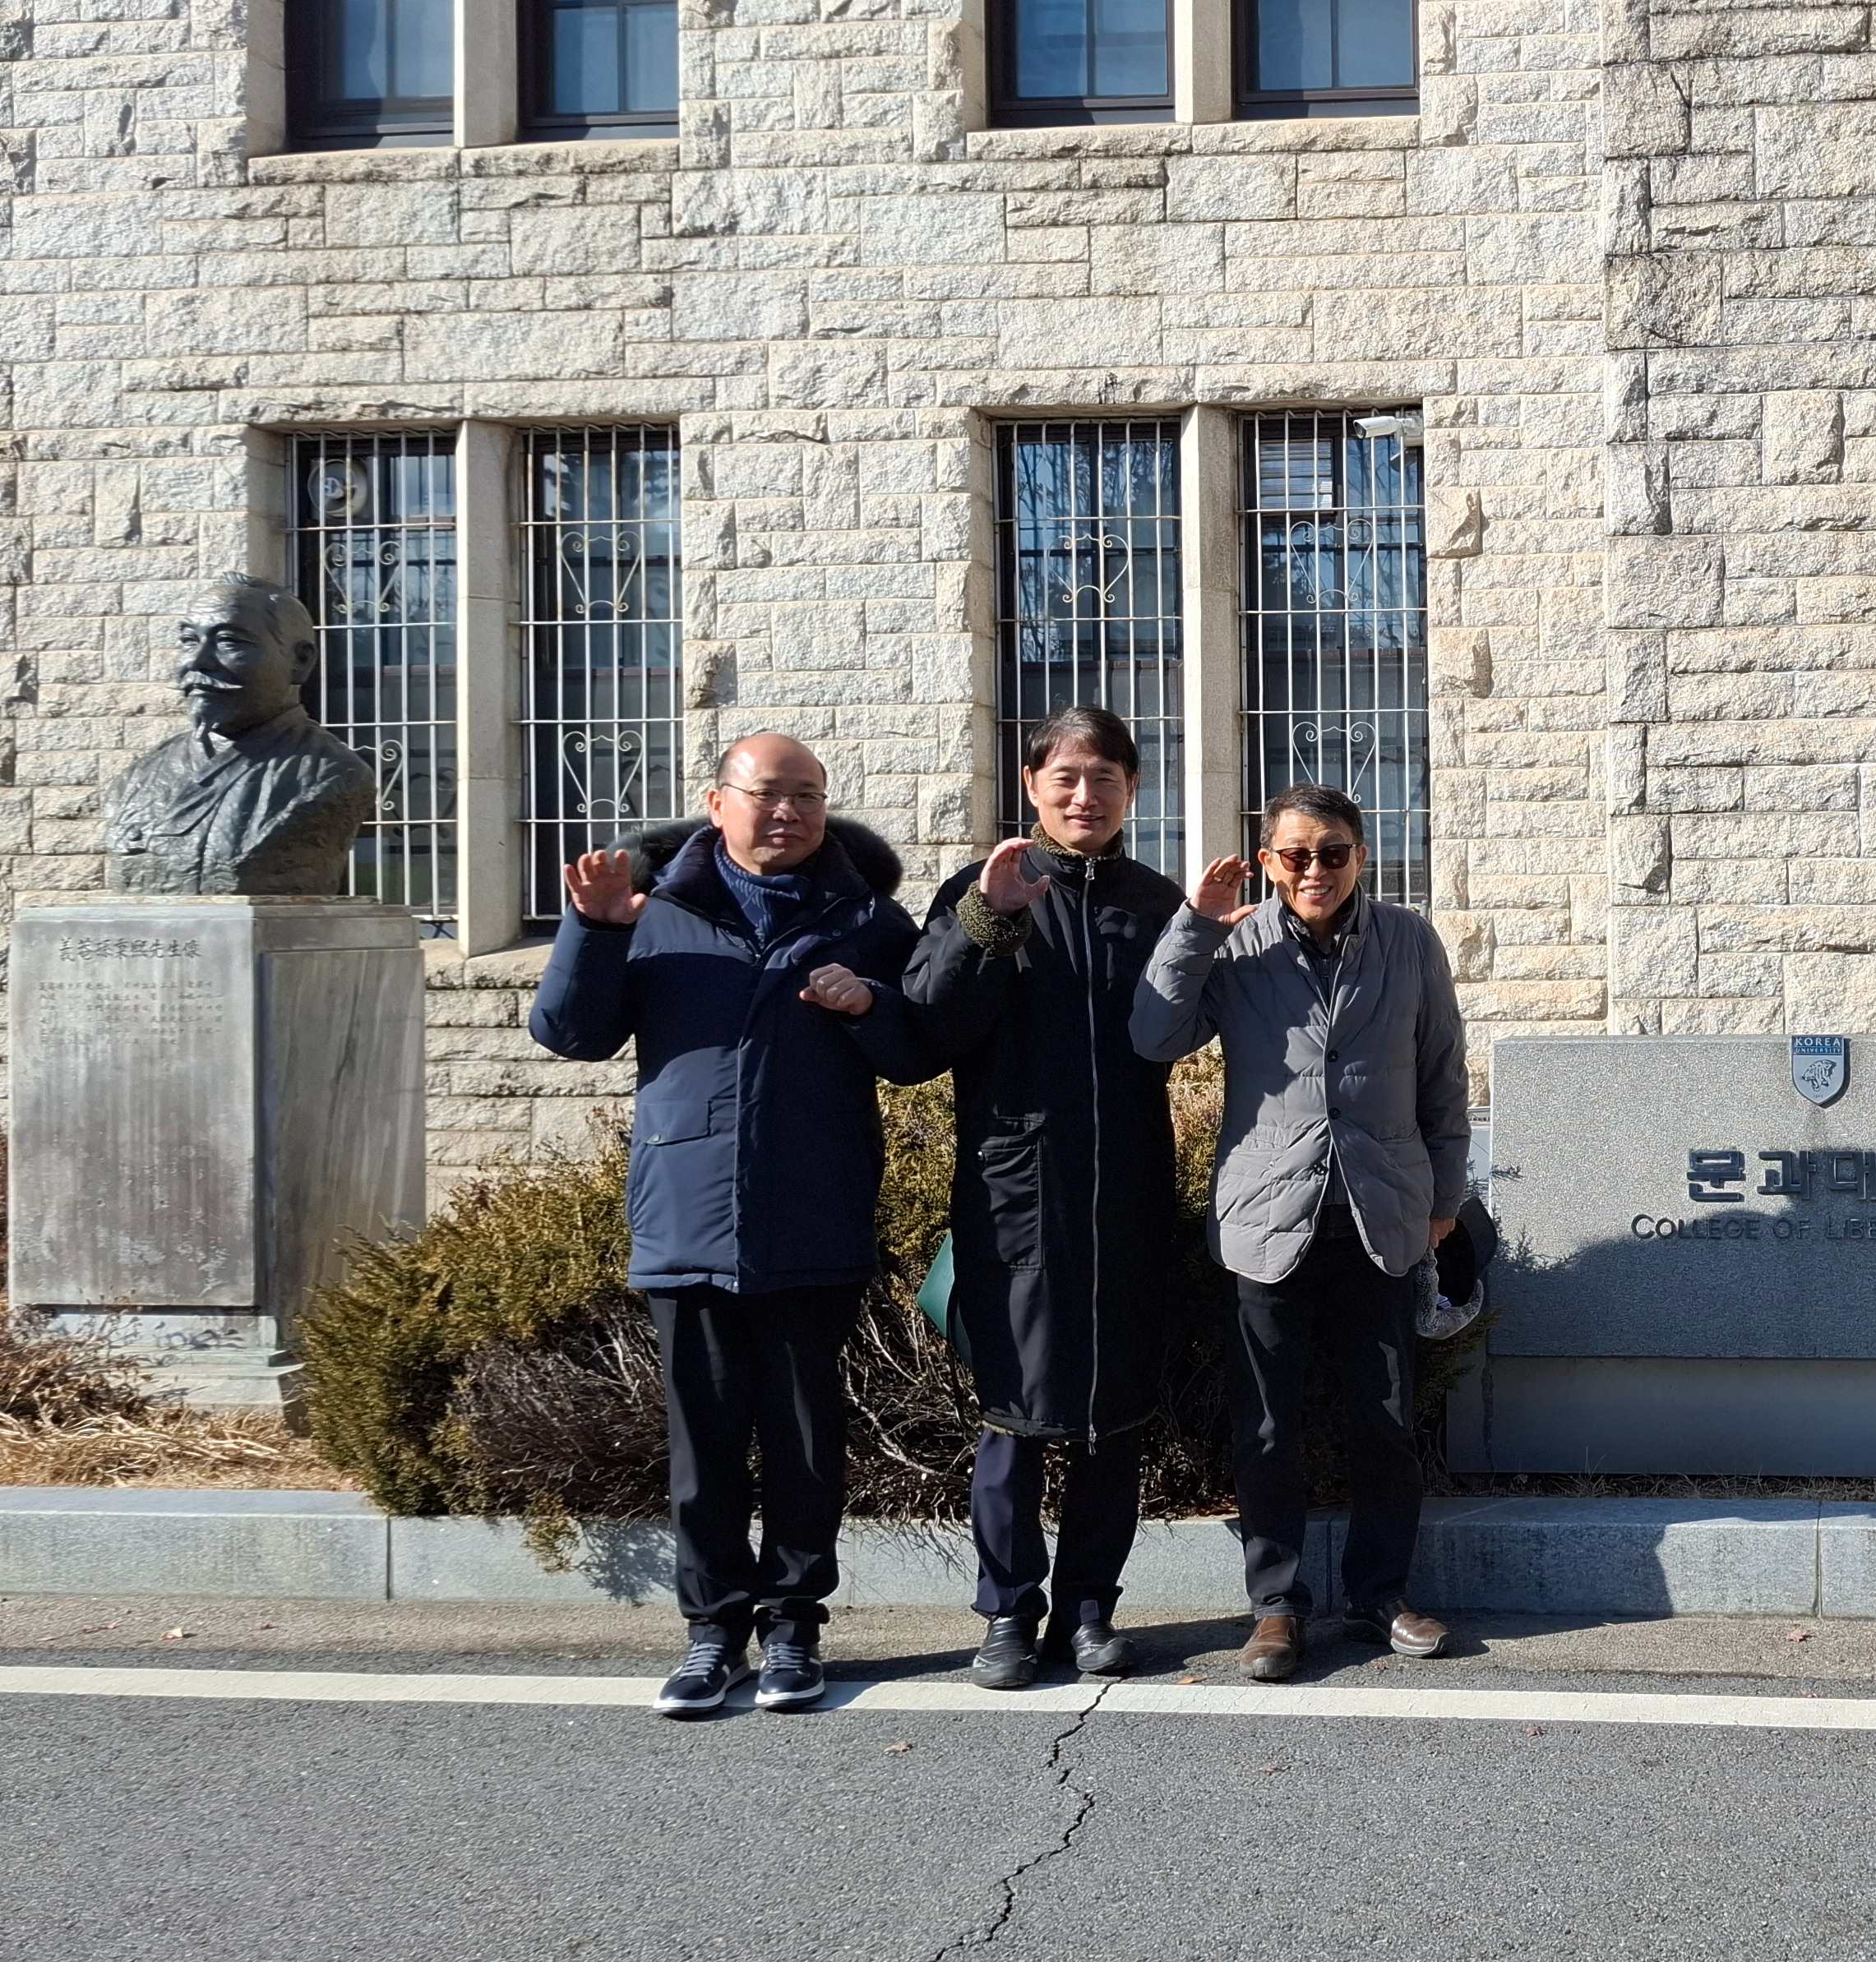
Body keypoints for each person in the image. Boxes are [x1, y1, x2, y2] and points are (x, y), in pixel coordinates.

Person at [529, 732, 939, 1719]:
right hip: (688, 1217)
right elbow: (570, 1033)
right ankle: (712, 1633)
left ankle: (794, 1628)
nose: (787, 812)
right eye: (766, 793)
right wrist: (594, 931)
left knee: (806, 1442)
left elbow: (918, 1052)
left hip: (813, 1211)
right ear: (718, 805)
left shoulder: (868, 919)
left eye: (807, 795)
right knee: (703, 1446)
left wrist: (869, 1004)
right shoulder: (656, 913)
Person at [1132, 785, 1470, 1683]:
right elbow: (1155, 1036)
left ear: (1361, 855)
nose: (1313, 870)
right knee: (1268, 1426)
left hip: (1381, 1212)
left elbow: (1442, 1071)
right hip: (1266, 1216)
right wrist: (1194, 926)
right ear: (1267, 861)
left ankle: (1380, 1595)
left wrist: (1445, 1194)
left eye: (1332, 853)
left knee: (1384, 1420)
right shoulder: (1235, 941)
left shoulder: (1409, 941)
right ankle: (1276, 1608)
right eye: (1294, 855)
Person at [906, 708, 1187, 1691]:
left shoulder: (1154, 902)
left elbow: (1184, 1027)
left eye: (1105, 778)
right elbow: (928, 1025)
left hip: (1130, 1192)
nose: (1085, 795)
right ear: (1031, 785)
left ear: (1133, 791)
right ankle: (1007, 1614)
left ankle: (1089, 1609)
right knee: (1015, 1414)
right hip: (1015, 1193)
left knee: (1116, 1414)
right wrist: (987, 921)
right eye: (1065, 776)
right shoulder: (983, 888)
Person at [104, 573, 379, 895]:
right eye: (189, 640)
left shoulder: (331, 774)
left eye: (229, 642)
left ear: (300, 661)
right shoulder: (137, 778)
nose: (197, 661)